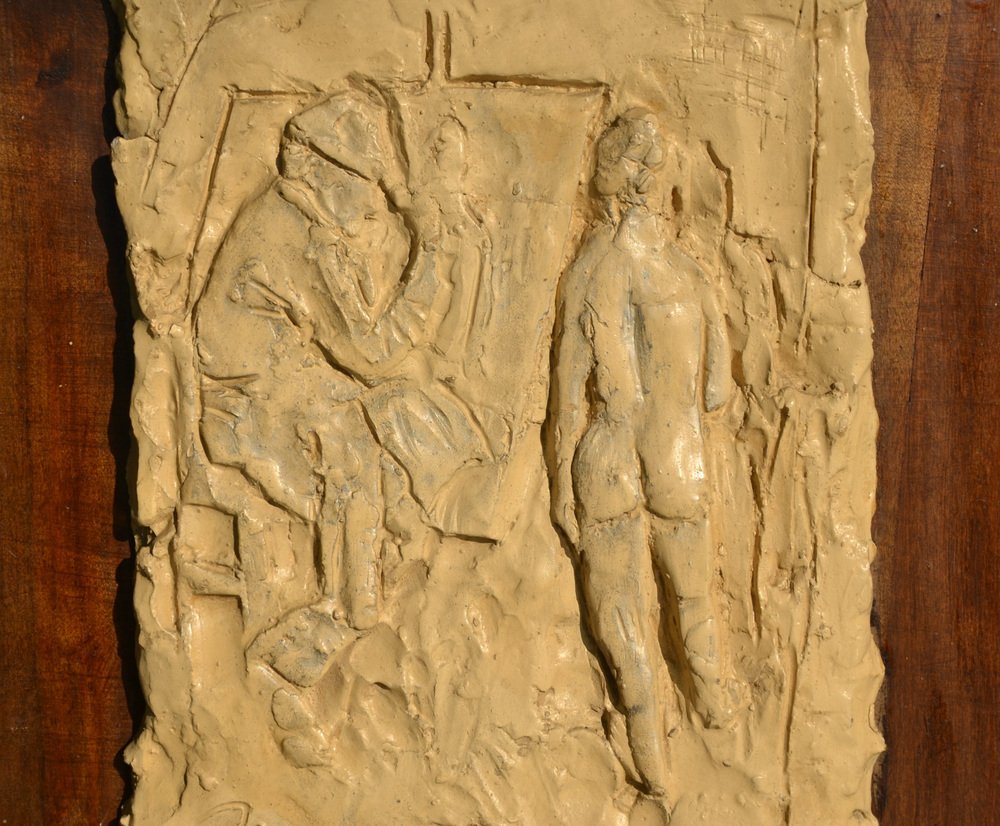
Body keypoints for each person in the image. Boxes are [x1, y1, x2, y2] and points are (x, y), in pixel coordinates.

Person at [550, 111, 735, 797]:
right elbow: (716, 392)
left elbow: (567, 392)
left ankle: (651, 753)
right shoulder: (691, 278)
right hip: (679, 458)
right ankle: (714, 707)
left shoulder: (589, 270)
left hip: (608, 459)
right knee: (694, 601)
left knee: (621, 619)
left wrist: (558, 485)